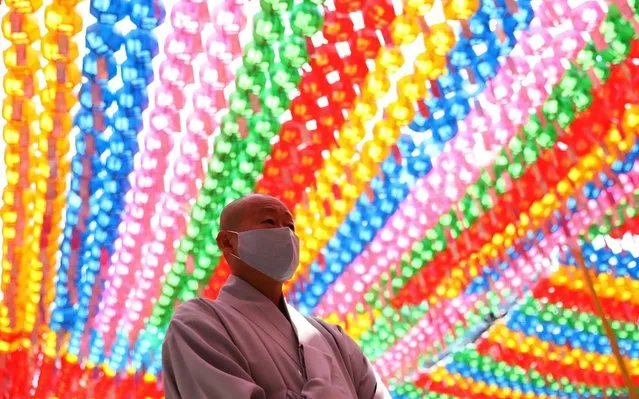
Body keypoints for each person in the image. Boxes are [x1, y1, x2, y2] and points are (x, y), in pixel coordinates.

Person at [162, 194, 391, 399]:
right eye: (269, 222)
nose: (285, 234)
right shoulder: (198, 324)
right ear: (228, 242)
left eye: (290, 226)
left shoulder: (333, 338)